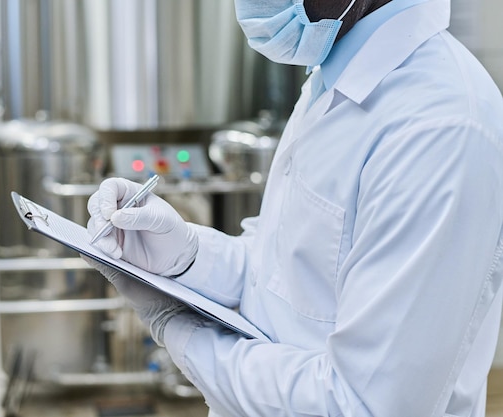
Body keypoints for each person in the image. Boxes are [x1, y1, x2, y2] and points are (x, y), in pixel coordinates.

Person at [86, 0, 503, 415]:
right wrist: (187, 256)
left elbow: (362, 405)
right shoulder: (334, 76)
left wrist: (181, 331)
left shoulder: (439, 127)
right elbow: (284, 272)